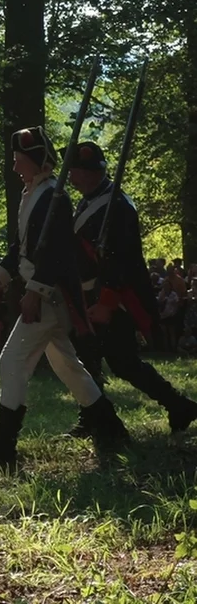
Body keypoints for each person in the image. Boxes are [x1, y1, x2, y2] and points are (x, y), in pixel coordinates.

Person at [0, 128, 129, 469]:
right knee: (68, 366)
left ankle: (4, 446)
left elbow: (56, 254)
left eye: (20, 161)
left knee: (11, 361)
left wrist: (36, 292)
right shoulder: (35, 194)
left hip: (49, 297)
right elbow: (24, 246)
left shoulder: (53, 198)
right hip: (43, 292)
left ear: (37, 162)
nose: (16, 167)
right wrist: (0, 274)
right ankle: (111, 427)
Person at [66, 141, 197, 434]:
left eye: (74, 171)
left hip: (114, 297)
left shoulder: (118, 206)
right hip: (93, 294)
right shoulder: (88, 202)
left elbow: (121, 259)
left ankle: (177, 405)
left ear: (87, 172)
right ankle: (94, 416)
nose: (71, 178)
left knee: (121, 362)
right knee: (89, 355)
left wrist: (107, 302)